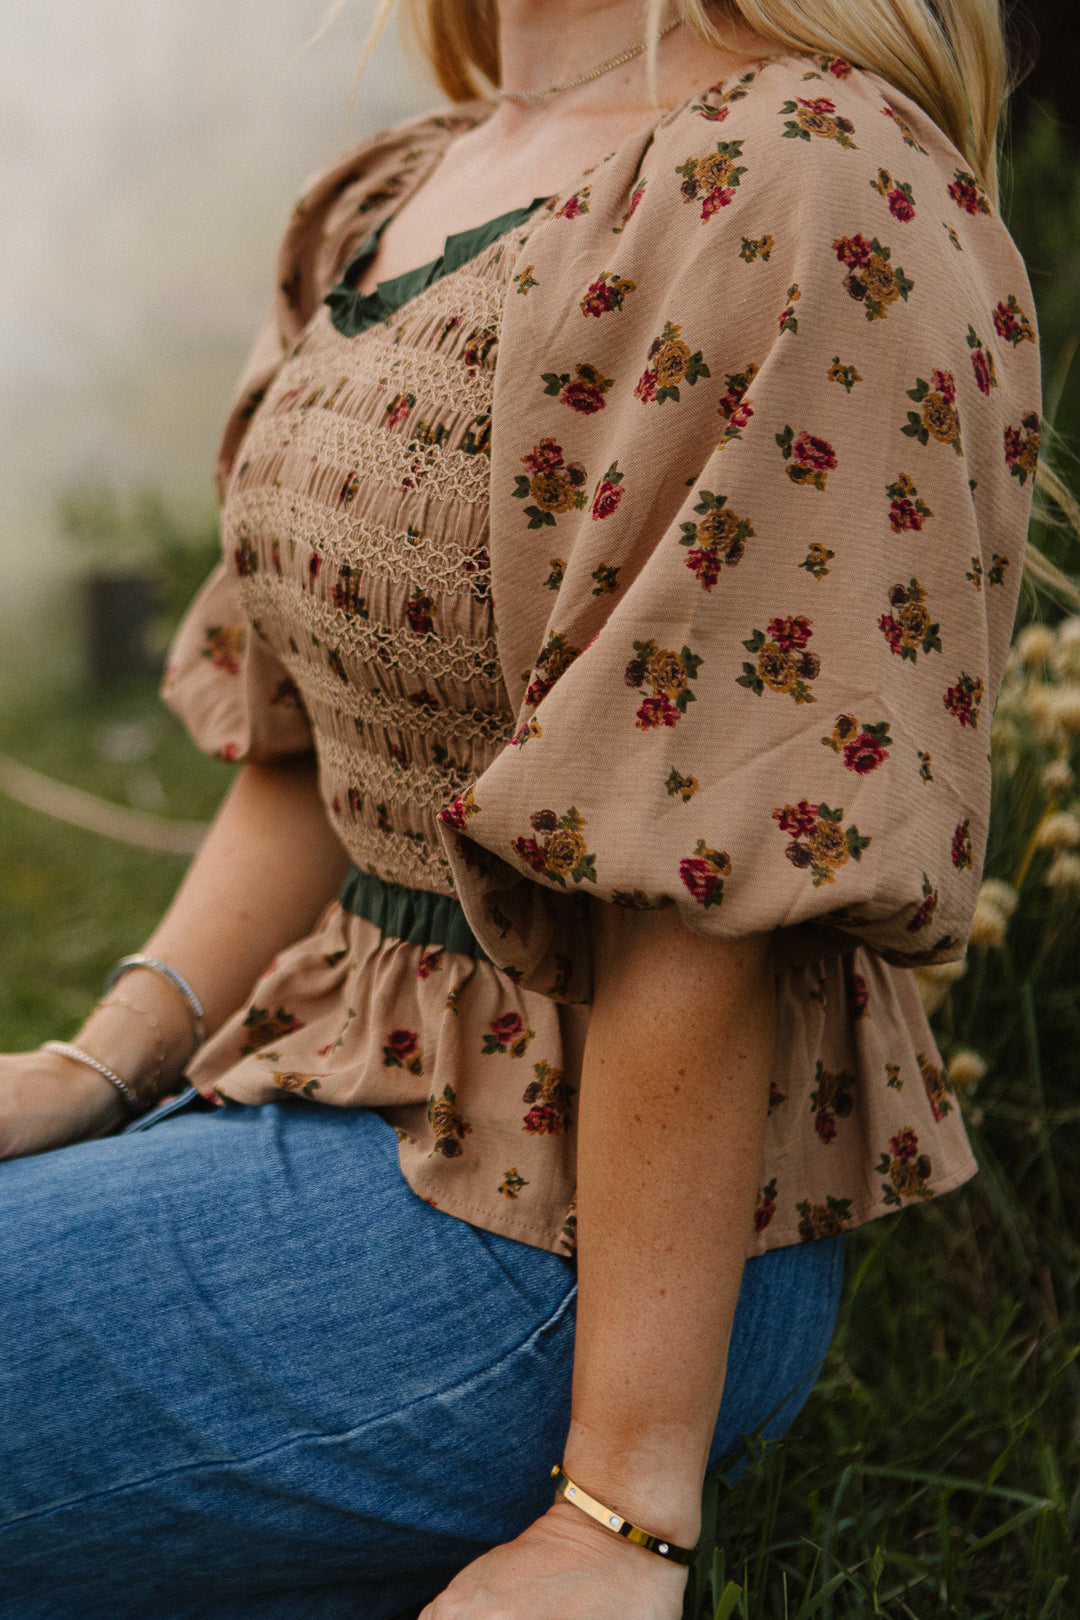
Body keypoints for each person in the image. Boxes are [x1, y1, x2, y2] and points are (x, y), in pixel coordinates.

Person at [0, 1, 1041, 1615]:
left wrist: (619, 1511)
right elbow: (316, 753)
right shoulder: (406, 186)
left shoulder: (806, 184)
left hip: (570, 1252)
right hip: (335, 1082)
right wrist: (103, 1064)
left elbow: (703, 872)